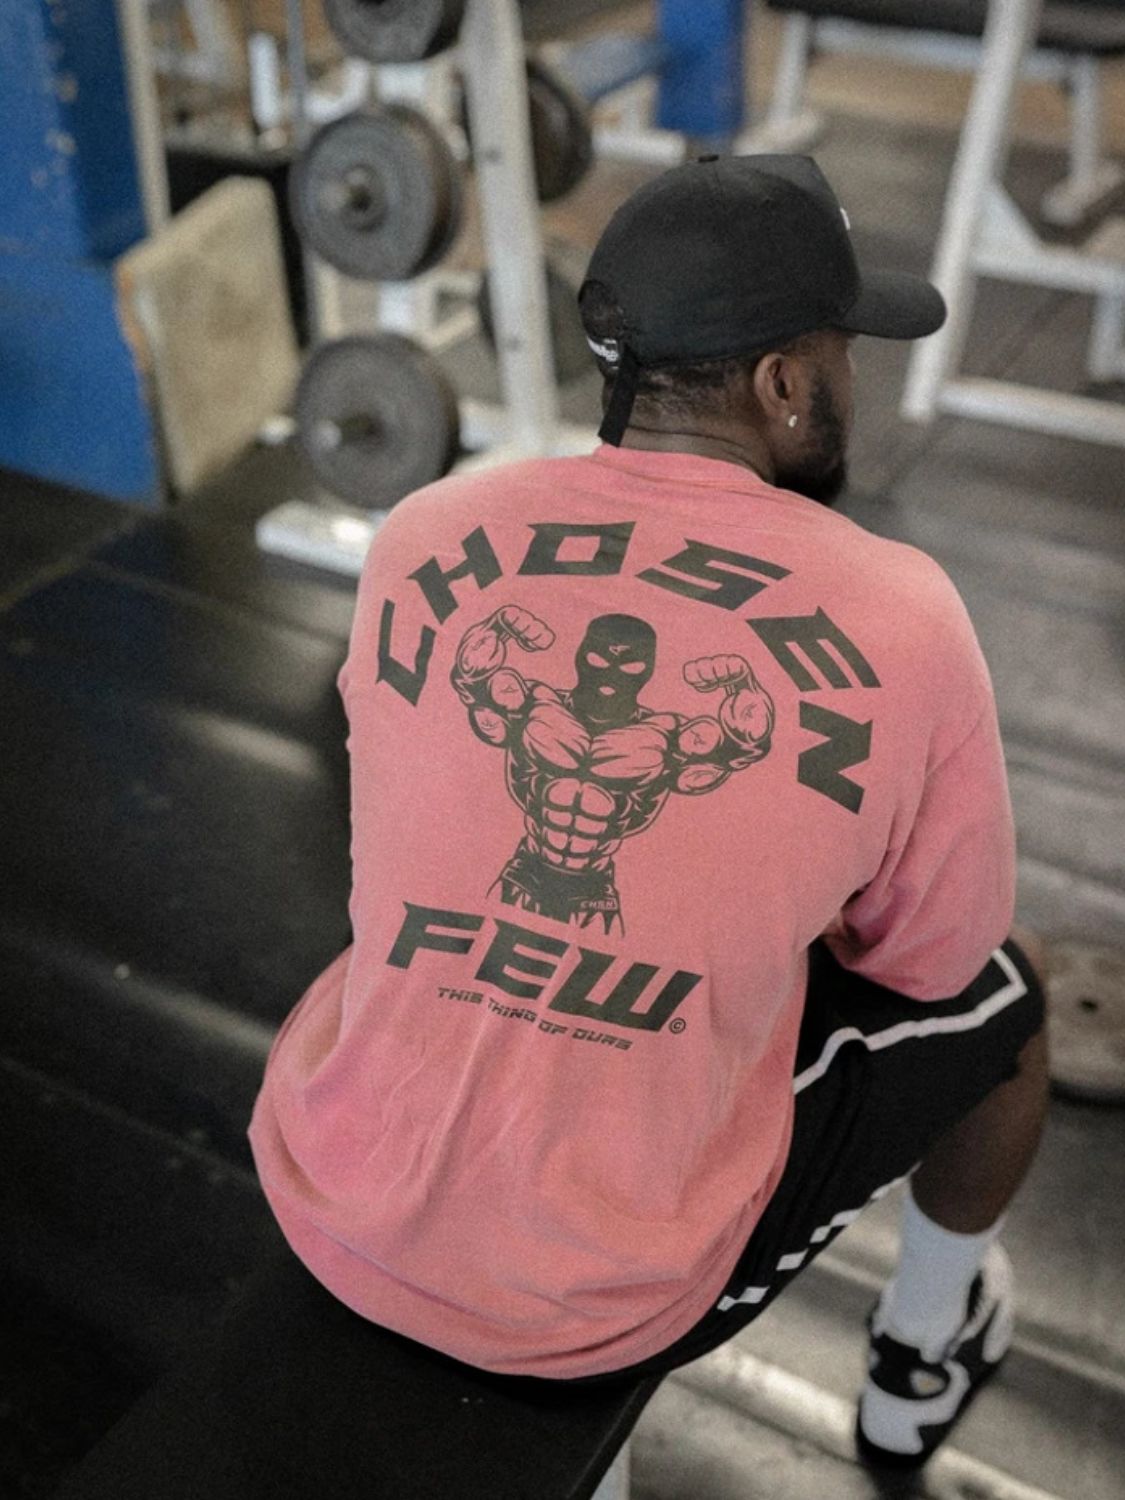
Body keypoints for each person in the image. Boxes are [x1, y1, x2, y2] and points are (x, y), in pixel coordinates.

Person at [248, 154, 1048, 1468]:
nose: (851, 381)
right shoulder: (903, 613)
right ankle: (923, 1350)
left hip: (328, 1176)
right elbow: (928, 958)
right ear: (783, 383)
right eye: (842, 353)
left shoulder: (422, 532)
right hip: (593, 1293)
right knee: (1007, 1003)